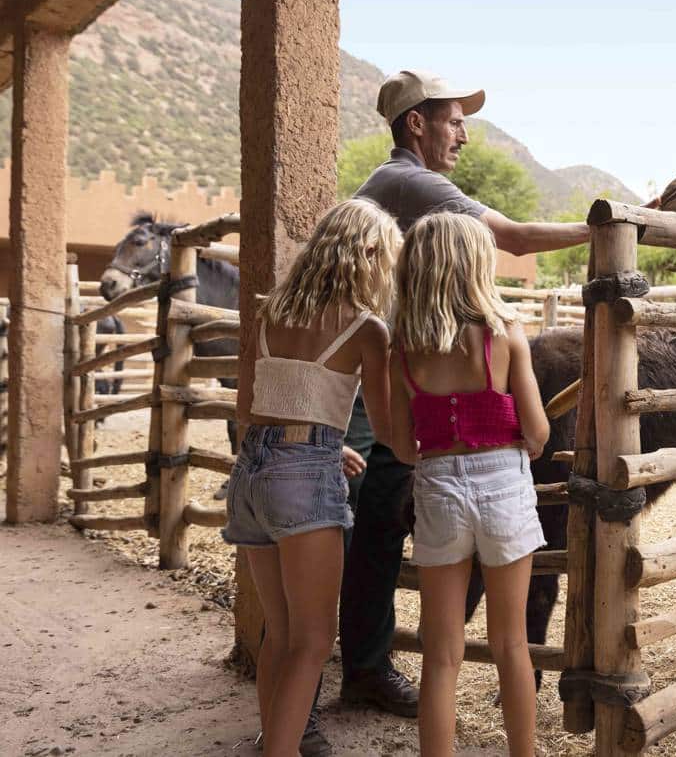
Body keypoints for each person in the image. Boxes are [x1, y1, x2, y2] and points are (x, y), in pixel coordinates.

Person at [338, 70, 589, 718]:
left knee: (377, 515)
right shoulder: (411, 181)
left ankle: (363, 663)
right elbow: (516, 238)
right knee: (381, 509)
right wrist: (604, 231)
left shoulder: (390, 186)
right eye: (453, 121)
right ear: (415, 123)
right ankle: (362, 667)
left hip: (378, 368)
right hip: (385, 378)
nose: (463, 136)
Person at [222, 199, 401, 757]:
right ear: (368, 252)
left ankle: (271, 738)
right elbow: (390, 428)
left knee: (280, 632)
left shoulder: (271, 311)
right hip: (303, 480)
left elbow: (252, 406)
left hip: (251, 473)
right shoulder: (366, 327)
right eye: (387, 259)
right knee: (316, 640)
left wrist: (327, 440)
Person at [389, 212, 549, 756]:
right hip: (502, 482)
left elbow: (399, 443)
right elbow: (537, 430)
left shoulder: (404, 347)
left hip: (436, 488)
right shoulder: (504, 334)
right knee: (511, 644)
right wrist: (524, 441)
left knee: (441, 652)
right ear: (474, 265)